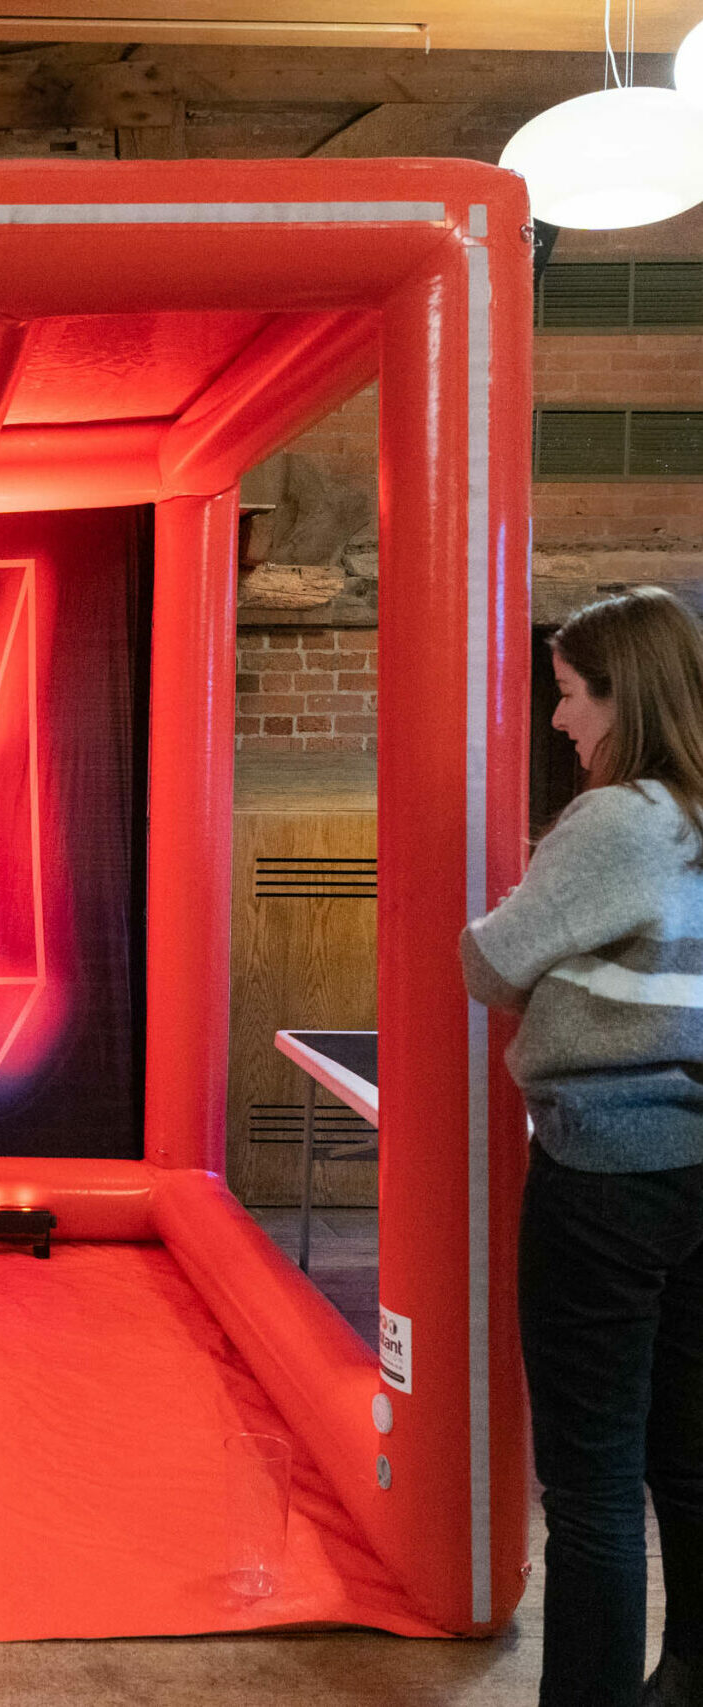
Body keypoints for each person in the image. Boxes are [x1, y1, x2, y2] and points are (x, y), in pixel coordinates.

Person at [459, 587, 703, 1707]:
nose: (558, 722)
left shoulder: (619, 821)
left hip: (607, 1172)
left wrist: (521, 898)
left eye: (567, 696)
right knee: (688, 1454)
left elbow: (490, 963)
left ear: (624, 698)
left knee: (593, 1483)